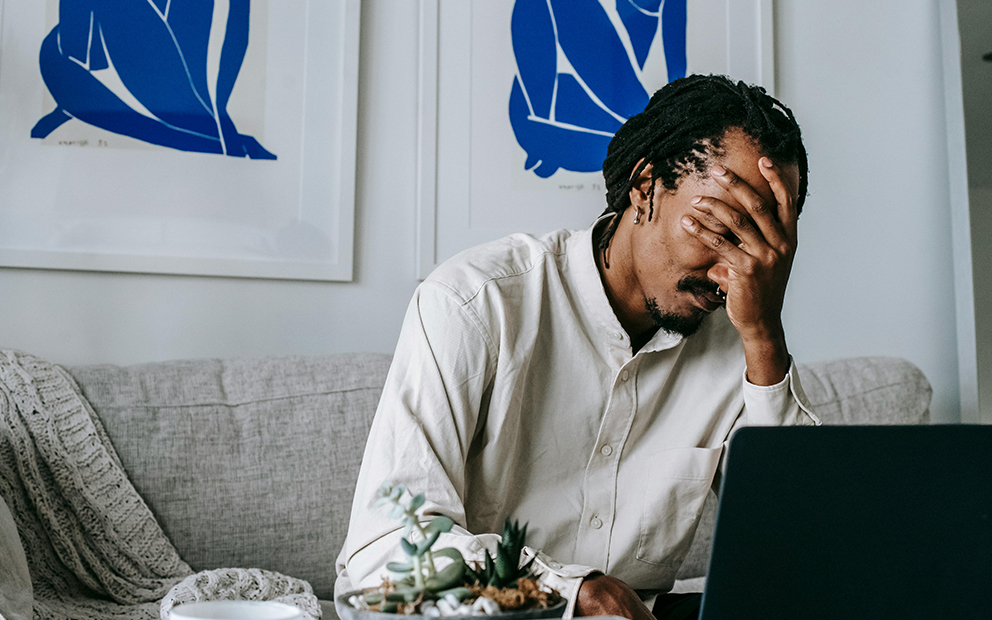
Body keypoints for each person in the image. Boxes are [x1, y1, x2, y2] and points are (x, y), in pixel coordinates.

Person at [334, 74, 820, 620]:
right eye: (721, 227)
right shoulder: (475, 304)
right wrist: (574, 592)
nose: (733, 271)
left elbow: (804, 557)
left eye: (764, 243)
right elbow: (385, 552)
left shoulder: (745, 338)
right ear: (646, 186)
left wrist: (764, 335)